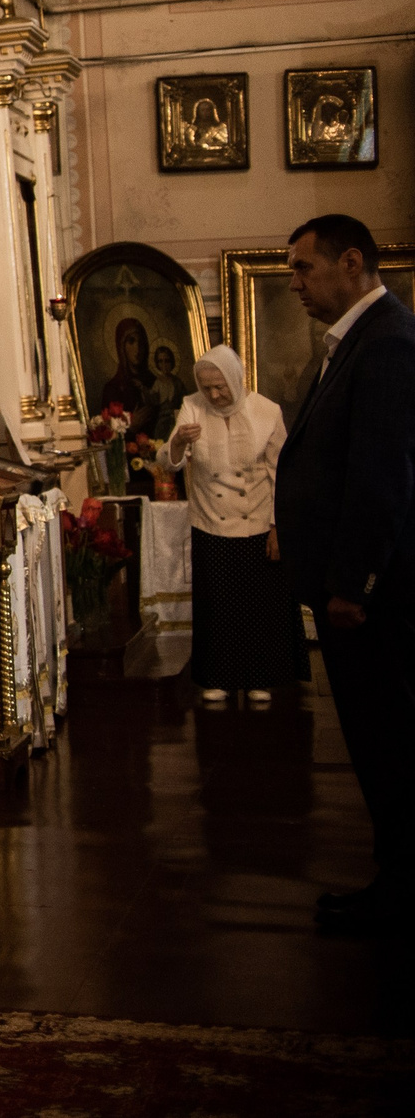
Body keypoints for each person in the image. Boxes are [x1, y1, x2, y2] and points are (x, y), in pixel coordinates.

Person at [272, 213, 415, 936]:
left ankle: (402, 894)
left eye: (304, 267)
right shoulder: (358, 340)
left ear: (351, 261)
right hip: (356, 589)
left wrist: (352, 583)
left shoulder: (385, 342)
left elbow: (380, 474)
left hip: (375, 597)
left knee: (390, 742)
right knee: (375, 741)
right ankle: (395, 881)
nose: (294, 281)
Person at [163, 345, 296, 707]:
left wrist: (276, 527)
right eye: (206, 388)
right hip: (210, 522)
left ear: (236, 380)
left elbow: (280, 474)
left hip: (256, 520)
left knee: (256, 606)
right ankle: (218, 677)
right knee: (218, 606)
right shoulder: (192, 406)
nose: (214, 395)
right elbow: (170, 461)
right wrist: (177, 441)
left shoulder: (267, 411)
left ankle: (258, 677)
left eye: (220, 387)